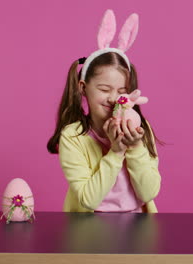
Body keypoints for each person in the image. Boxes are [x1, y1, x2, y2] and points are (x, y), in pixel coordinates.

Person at [47, 10, 161, 213]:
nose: (112, 98)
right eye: (104, 90)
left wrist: (134, 148)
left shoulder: (141, 130)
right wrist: (116, 152)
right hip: (88, 229)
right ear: (83, 88)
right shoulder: (73, 137)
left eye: (122, 92)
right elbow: (88, 200)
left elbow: (148, 193)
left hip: (137, 228)